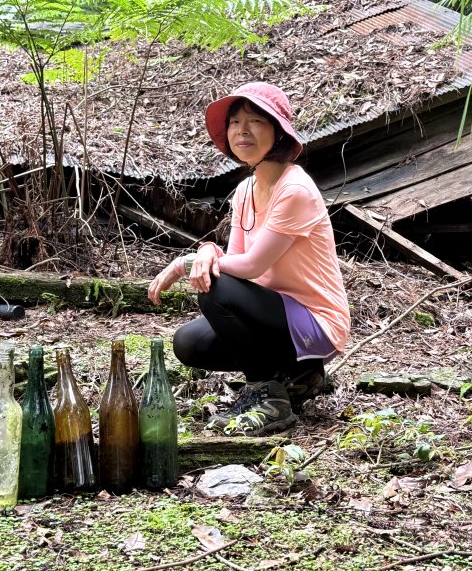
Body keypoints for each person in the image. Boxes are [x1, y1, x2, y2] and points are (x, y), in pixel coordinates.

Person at [147, 82, 350, 436]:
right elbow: (238, 261)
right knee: (189, 343)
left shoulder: (295, 189)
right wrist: (209, 250)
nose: (242, 130)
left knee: (215, 289)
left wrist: (186, 263)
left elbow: (250, 267)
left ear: (278, 131)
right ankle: (298, 376)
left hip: (315, 322)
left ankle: (268, 398)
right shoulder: (245, 190)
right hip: (274, 314)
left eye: (256, 121)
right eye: (235, 122)